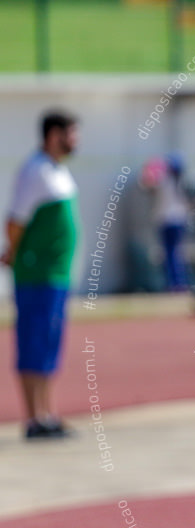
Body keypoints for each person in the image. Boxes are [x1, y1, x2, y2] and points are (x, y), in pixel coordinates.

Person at [2, 110, 80, 439]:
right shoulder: (34, 170)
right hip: (37, 274)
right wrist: (15, 252)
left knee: (50, 344)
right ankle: (33, 418)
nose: (75, 141)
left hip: (56, 274)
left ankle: (47, 413)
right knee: (33, 342)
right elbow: (16, 221)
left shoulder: (56, 171)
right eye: (70, 134)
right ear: (53, 136)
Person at [153, 153, 190, 291]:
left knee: (170, 254)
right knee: (178, 253)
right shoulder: (182, 182)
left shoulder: (164, 182)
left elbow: (149, 185)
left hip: (167, 222)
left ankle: (175, 284)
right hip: (179, 222)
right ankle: (181, 282)